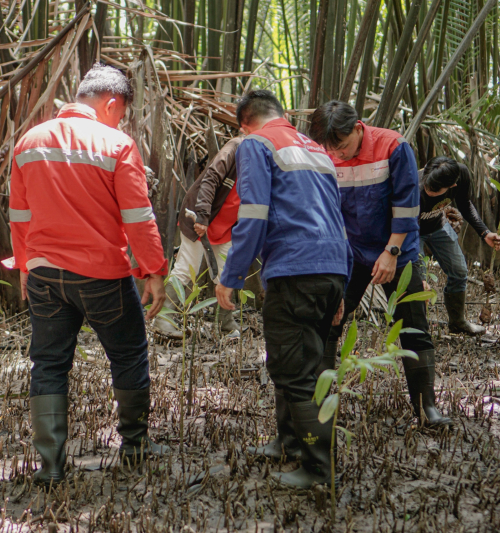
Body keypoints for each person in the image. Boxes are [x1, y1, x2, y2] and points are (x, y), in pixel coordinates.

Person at [9, 64, 169, 485]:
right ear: (111, 103)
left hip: (44, 274)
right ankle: (135, 447)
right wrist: (154, 270)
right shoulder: (117, 144)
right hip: (102, 275)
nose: (121, 121)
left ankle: (51, 465)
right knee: (129, 354)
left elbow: (19, 215)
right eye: (122, 112)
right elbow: (138, 217)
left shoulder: (28, 142)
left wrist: (25, 264)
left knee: (48, 364)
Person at [215, 90, 352, 489]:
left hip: (295, 269)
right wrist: (340, 284)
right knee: (297, 360)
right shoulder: (317, 150)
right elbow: (335, 218)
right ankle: (287, 441)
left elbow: (253, 214)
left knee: (296, 374)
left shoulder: (256, 144)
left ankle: (317, 469)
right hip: (328, 269)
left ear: (244, 123)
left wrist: (233, 274)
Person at [308, 100, 452, 428]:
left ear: (359, 128)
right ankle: (320, 406)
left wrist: (392, 251)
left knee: (413, 326)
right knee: (328, 321)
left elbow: (406, 205)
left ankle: (426, 408)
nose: (340, 156)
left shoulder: (394, 146)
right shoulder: (324, 154)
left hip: (396, 251)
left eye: (343, 147)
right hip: (349, 256)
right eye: (334, 150)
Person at [154, 137, 244, 339]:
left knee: (227, 272)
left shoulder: (267, 156)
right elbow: (211, 177)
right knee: (187, 267)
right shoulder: (237, 147)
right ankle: (164, 320)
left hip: (227, 226)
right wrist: (202, 216)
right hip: (199, 220)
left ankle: (225, 323)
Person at [419, 157, 500, 335]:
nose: (428, 190)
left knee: (459, 271)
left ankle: (457, 322)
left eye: (434, 190)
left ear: (452, 186)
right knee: (418, 282)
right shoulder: (414, 185)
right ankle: (417, 329)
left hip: (437, 225)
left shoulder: (461, 175)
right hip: (410, 231)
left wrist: (485, 233)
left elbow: (465, 205)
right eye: (427, 185)